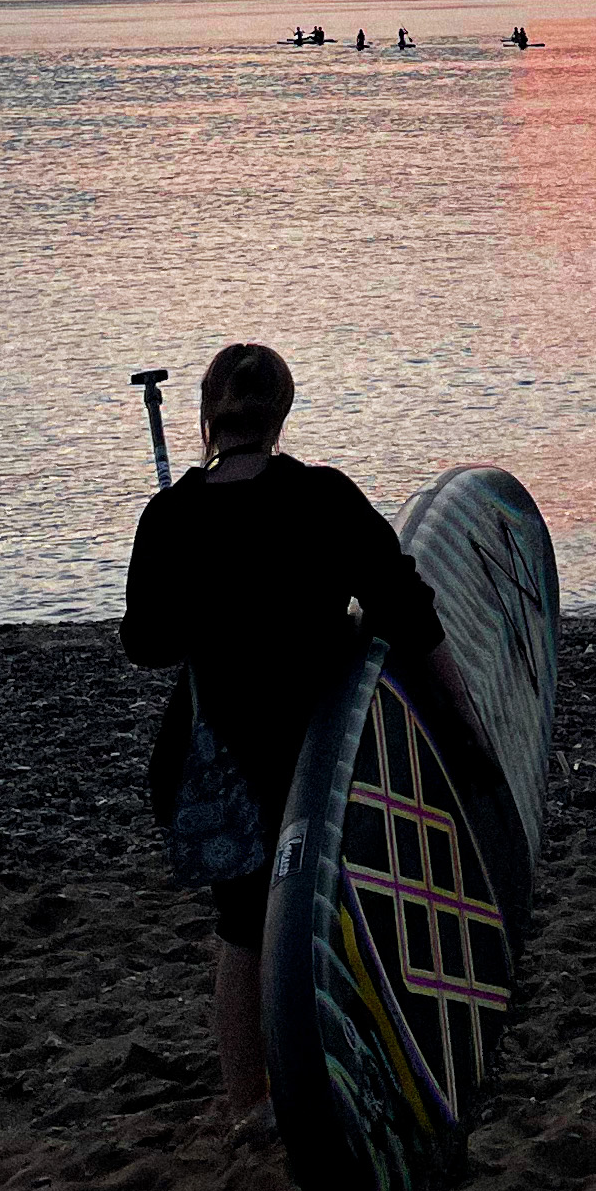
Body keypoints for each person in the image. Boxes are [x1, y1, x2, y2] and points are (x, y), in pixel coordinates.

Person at [119, 342, 462, 1141]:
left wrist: (193, 591)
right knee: (328, 906)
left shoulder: (174, 517)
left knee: (241, 928)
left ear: (207, 417)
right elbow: (407, 612)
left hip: (218, 758)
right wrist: (465, 727)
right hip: (321, 754)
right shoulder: (324, 499)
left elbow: (148, 643)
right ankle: (346, 1065)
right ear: (282, 414)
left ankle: (251, 1106)